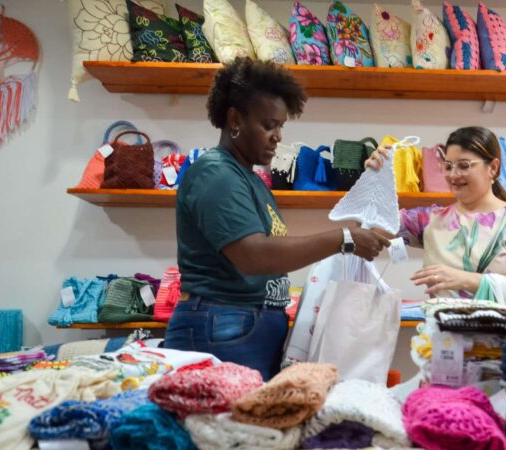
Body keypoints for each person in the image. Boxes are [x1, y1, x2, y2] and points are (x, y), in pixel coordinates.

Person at [165, 58, 390, 379]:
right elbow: (253, 256)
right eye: (269, 125)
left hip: (241, 325)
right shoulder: (217, 174)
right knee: (229, 426)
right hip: (224, 323)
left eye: (281, 126)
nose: (278, 136)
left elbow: (268, 252)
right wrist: (343, 239)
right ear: (234, 119)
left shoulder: (249, 180)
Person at [366, 126, 506, 301]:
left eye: (464, 165)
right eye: (448, 166)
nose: (453, 175)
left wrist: (465, 280)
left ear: (492, 167)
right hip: (440, 331)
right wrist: (374, 178)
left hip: (497, 331)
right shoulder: (430, 219)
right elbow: (367, 229)